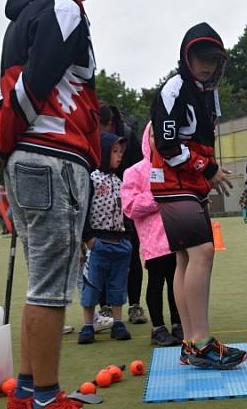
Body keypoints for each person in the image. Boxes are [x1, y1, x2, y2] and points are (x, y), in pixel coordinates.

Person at [0, 0, 117, 409]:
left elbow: (10, 91)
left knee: (44, 281)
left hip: (35, 159)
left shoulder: (26, 15)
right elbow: (33, 86)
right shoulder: (64, 6)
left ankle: (28, 395)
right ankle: (46, 407)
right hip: (50, 157)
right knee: (52, 285)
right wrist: (5, 140)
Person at [150, 22, 247, 369]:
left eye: (213, 59)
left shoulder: (207, 92)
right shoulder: (174, 90)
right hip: (173, 183)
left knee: (185, 259)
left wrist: (209, 173)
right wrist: (208, 170)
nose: (206, 65)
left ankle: (192, 342)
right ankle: (202, 341)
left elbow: (202, 140)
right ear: (186, 56)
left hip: (189, 183)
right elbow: (167, 144)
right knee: (203, 251)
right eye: (199, 57)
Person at [122, 123, 183, 346]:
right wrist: (157, 196)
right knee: (156, 283)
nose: (157, 142)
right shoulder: (134, 172)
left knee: (177, 283)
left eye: (162, 137)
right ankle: (158, 328)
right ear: (146, 140)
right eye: (153, 136)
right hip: (153, 241)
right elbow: (129, 207)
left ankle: (178, 324)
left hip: (177, 237)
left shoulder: (175, 167)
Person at [77, 132, 132, 344]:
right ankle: (88, 325)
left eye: (121, 152)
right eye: (114, 151)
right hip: (98, 242)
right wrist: (88, 238)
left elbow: (126, 211)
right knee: (92, 283)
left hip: (120, 242)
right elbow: (81, 210)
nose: (119, 156)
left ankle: (118, 323)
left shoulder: (121, 182)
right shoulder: (90, 179)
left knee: (118, 284)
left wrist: (128, 237)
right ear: (102, 152)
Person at [99, 104, 146, 325]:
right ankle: (105, 308)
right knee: (100, 259)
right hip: (100, 209)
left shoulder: (127, 136)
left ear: (108, 122)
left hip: (127, 206)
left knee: (132, 255)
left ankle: (135, 305)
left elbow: (139, 169)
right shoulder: (93, 138)